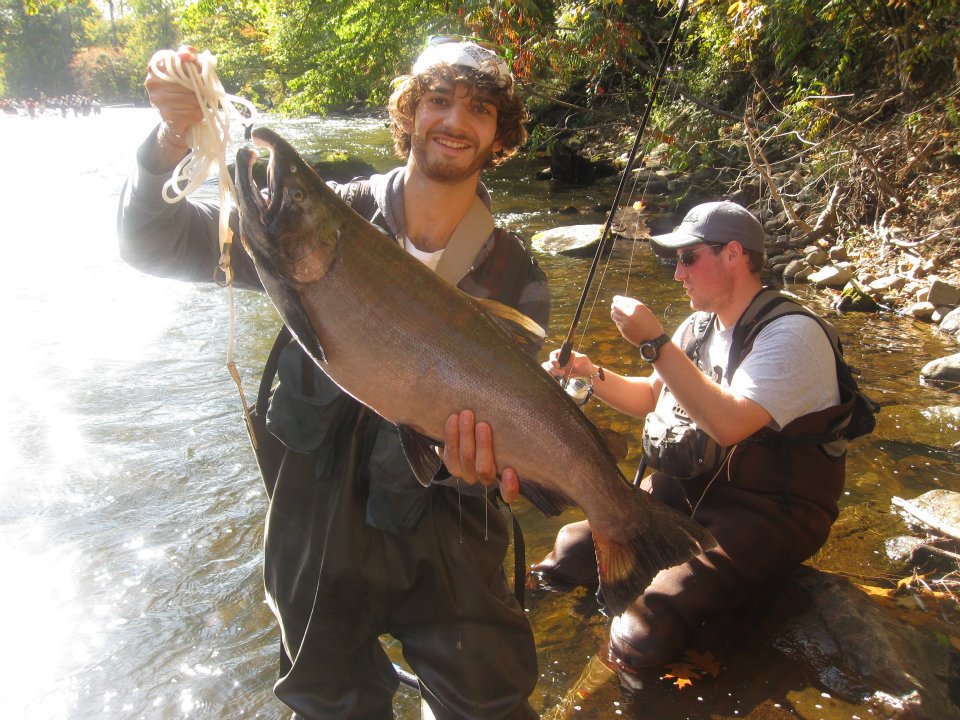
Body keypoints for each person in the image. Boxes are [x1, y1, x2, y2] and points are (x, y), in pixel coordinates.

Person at [118, 38, 549, 719]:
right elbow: (153, 239)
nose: (455, 122)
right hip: (314, 521)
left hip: (449, 528)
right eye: (438, 100)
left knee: (489, 705)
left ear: (500, 135)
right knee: (330, 706)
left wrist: (485, 466)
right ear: (410, 114)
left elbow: (523, 448)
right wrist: (172, 138)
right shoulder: (310, 217)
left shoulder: (515, 277)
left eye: (479, 108)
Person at [535, 201, 850, 674]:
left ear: (734, 255)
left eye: (688, 257)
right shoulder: (698, 325)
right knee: (569, 552)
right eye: (675, 259)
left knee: (643, 628)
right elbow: (648, 397)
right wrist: (587, 370)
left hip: (765, 510)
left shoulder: (793, 335)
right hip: (686, 493)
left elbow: (730, 423)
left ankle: (618, 686)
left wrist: (654, 343)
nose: (678, 272)